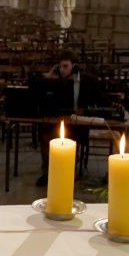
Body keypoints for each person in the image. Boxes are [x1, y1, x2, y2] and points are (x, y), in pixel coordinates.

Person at [35, 49, 103, 186]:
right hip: (56, 121)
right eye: (60, 66)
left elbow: (99, 100)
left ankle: (67, 172)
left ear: (74, 66)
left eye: (65, 66)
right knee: (45, 135)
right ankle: (49, 173)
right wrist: (48, 76)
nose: (62, 70)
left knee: (70, 140)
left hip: (76, 124)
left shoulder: (87, 81)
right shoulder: (54, 80)